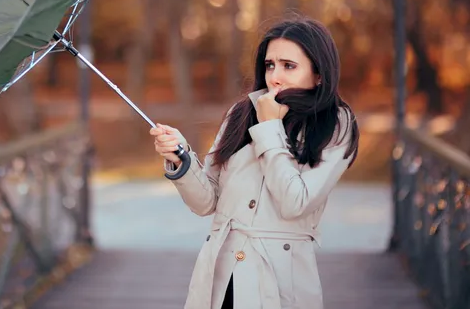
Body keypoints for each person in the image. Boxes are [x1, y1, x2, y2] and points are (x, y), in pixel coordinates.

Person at [150, 17, 360, 309]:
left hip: (279, 279)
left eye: (289, 66)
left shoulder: (335, 123)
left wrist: (270, 127)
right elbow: (206, 202)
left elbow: (295, 202)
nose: (275, 76)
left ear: (319, 74)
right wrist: (181, 158)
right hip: (222, 272)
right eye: (270, 65)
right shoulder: (241, 112)